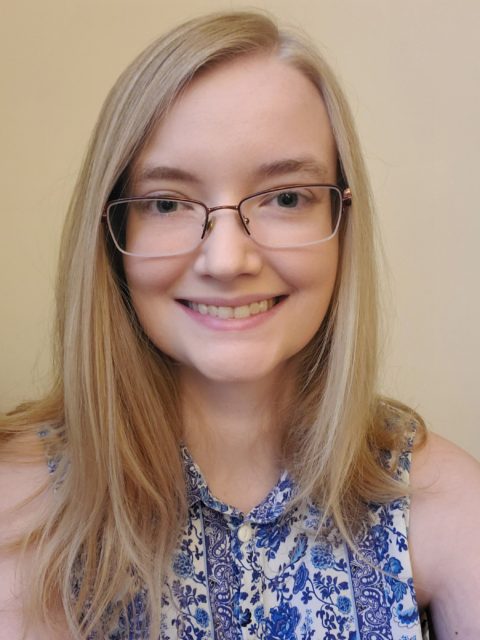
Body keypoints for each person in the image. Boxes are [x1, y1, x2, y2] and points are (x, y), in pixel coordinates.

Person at [1, 10, 479, 640]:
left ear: (341, 221)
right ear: (113, 234)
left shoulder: (444, 502)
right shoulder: (21, 506)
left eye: (286, 197)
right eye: (167, 202)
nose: (227, 261)